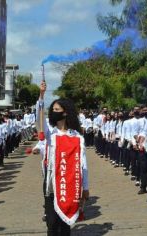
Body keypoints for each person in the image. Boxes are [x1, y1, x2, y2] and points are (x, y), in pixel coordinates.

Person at [37, 81, 89, 236]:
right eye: (52, 109)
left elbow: (83, 165)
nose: (53, 112)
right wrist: (41, 95)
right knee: (52, 223)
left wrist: (85, 188)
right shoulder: (50, 134)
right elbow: (39, 119)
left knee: (65, 223)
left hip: (70, 184)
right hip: (52, 183)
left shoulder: (77, 137)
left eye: (57, 110)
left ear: (65, 113)